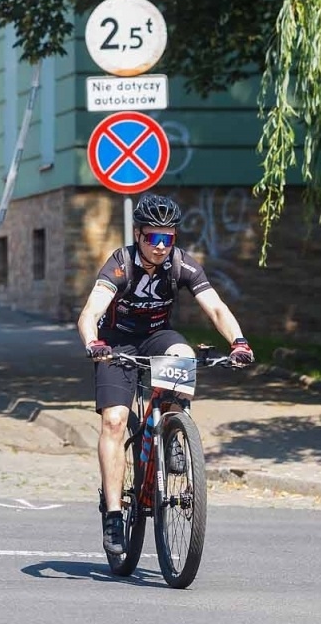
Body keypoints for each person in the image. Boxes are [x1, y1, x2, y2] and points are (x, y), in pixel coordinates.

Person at [75, 193, 254, 556]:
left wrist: (238, 341)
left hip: (157, 337)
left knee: (184, 354)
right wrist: (93, 343)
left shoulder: (181, 264)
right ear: (138, 234)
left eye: (167, 238)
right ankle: (112, 514)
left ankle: (174, 431)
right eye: (153, 238)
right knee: (114, 420)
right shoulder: (120, 264)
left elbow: (216, 307)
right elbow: (90, 312)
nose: (160, 246)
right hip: (116, 344)